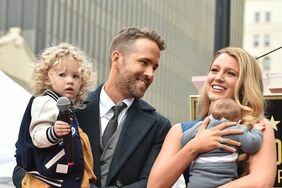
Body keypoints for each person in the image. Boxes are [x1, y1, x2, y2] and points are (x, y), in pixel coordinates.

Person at [148, 47, 276, 188]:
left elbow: (261, 182)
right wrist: (194, 147)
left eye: (230, 73)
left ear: (246, 84)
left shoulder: (257, 127)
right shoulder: (179, 131)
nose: (218, 77)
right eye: (214, 70)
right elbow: (155, 185)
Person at [75, 26, 172, 187]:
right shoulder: (74, 108)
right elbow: (25, 168)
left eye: (154, 67)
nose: (150, 74)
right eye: (144, 62)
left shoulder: (158, 126)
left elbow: (150, 184)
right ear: (117, 59)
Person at [15, 43, 97, 187]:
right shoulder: (45, 102)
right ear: (47, 78)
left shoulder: (63, 106)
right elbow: (37, 136)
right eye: (62, 75)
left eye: (76, 76)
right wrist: (53, 132)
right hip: (44, 179)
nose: (70, 80)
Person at [180, 98, 264, 188]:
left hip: (196, 182)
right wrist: (257, 130)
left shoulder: (201, 127)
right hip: (224, 182)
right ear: (238, 120)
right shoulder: (237, 129)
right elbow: (252, 145)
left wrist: (196, 140)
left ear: (211, 115)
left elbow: (183, 141)